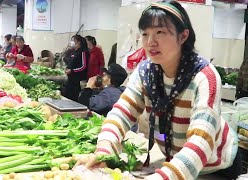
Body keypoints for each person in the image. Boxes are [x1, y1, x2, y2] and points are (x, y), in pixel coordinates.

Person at [78, 1, 240, 180]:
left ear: (183, 36)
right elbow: (121, 113)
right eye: (145, 34)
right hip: (177, 162)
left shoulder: (204, 77)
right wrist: (104, 151)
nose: (150, 42)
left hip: (215, 167)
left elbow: (200, 142)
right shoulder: (146, 72)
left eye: (160, 32)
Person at [62, 35, 90, 101]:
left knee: (74, 97)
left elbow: (83, 66)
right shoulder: (74, 51)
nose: (72, 42)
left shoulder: (83, 52)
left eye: (74, 41)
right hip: (71, 79)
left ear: (79, 42)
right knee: (68, 95)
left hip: (78, 80)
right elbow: (71, 63)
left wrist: (72, 71)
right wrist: (67, 68)